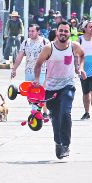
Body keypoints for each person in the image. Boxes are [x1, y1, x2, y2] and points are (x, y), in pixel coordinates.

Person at [32, 21, 85, 159]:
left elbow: (82, 55)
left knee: (65, 113)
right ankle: (58, 142)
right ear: (57, 32)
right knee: (55, 117)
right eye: (61, 30)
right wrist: (37, 80)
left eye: (66, 31)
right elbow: (38, 65)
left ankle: (66, 145)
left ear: (70, 33)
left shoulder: (74, 46)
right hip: (51, 88)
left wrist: (80, 68)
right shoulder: (48, 48)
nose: (63, 33)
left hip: (68, 85)